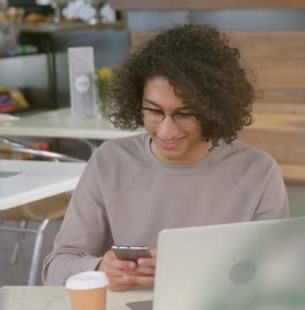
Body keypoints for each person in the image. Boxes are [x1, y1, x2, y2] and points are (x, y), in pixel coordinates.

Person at [42, 24, 290, 291]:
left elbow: (284, 274)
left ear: (213, 109)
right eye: (154, 111)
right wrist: (100, 269)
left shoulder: (258, 171)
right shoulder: (109, 162)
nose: (166, 130)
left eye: (184, 113)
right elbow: (56, 267)